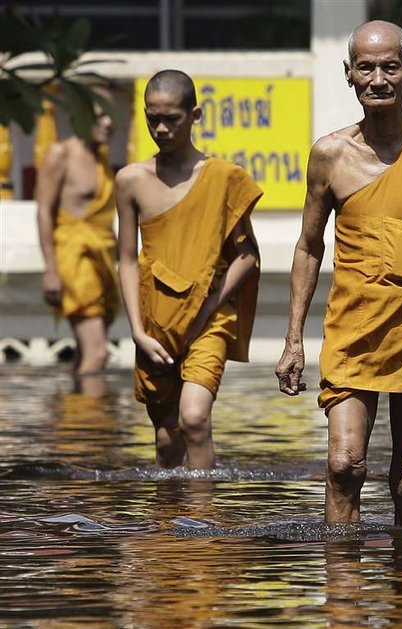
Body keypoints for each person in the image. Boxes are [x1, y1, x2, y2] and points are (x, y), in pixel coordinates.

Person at [275, 20, 402, 526]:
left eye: (390, 67)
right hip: (354, 326)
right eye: (365, 67)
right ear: (348, 74)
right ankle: (343, 598)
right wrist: (293, 340)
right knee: (344, 466)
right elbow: (308, 247)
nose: (378, 78)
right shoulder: (329, 155)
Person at [116, 70, 262, 469]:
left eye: (171, 119)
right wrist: (137, 332)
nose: (160, 129)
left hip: (210, 317)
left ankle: (202, 522)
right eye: (152, 119)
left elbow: (247, 255)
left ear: (195, 115)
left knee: (194, 419)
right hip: (156, 322)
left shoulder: (223, 178)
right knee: (166, 439)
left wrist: (209, 305)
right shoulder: (131, 180)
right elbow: (127, 258)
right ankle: (167, 526)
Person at [36, 97, 119, 376]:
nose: (108, 124)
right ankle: (91, 421)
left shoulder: (102, 158)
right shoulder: (60, 154)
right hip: (74, 258)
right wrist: (50, 270)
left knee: (87, 350)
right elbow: (44, 211)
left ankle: (72, 413)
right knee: (98, 353)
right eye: (99, 117)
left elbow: (105, 216)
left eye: (109, 117)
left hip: (103, 259)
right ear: (77, 120)